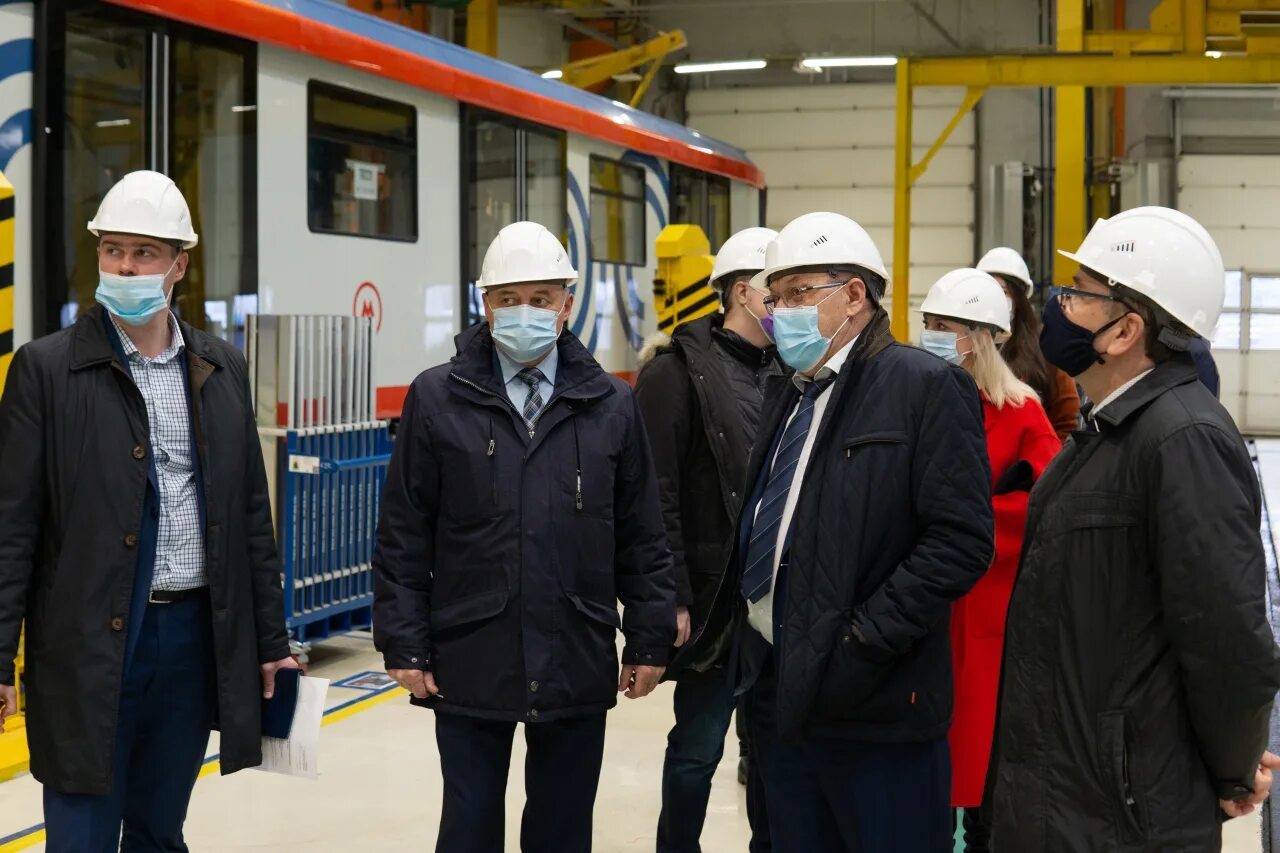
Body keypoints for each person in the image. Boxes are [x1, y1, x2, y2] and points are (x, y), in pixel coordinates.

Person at [0, 170, 297, 851]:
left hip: (192, 638)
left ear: (179, 265)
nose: (125, 267)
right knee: (81, 833)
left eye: (144, 253)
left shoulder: (221, 368)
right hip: (86, 642)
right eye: (113, 250)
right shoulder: (45, 372)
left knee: (161, 831)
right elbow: (10, 528)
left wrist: (271, 646)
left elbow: (252, 514)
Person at [372, 221, 675, 853]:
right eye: (508, 299)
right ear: (484, 306)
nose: (524, 313)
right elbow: (404, 534)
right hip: (469, 650)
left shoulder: (612, 404)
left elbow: (643, 534)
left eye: (541, 299)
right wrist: (404, 641)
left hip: (576, 647)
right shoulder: (437, 398)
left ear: (567, 304)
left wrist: (648, 638)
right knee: (469, 824)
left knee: (563, 830)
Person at [988, 206, 1280, 850]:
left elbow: (1227, 636)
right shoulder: (1108, 431)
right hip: (1067, 795)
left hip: (1123, 812)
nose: (1060, 308)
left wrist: (1233, 768)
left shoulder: (1183, 439)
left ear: (1126, 330)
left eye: (1079, 295)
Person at [731, 211, 995, 852]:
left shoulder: (925, 387)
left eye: (800, 293)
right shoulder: (791, 390)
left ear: (855, 295)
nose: (782, 311)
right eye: (777, 297)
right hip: (782, 692)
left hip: (875, 709)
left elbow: (960, 540)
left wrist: (861, 641)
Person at [635, 226, 783, 853]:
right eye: (781, 292)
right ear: (744, 292)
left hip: (777, 601)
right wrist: (669, 594)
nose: (791, 307)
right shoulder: (676, 374)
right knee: (697, 747)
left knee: (775, 748)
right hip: (714, 599)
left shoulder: (793, 372)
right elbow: (655, 494)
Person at [917, 268, 1061, 853]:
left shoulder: (1022, 410)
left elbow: (1045, 503)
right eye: (926, 325)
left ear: (977, 336)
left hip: (988, 607)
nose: (929, 336)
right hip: (925, 599)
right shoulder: (914, 399)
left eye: (942, 327)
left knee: (981, 745)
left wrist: (969, 522)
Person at [977, 247, 1081, 439]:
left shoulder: (1046, 351)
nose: (997, 299)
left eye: (1004, 291)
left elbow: (1067, 424)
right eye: (989, 290)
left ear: (1020, 298)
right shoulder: (967, 346)